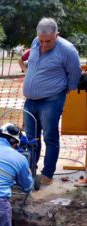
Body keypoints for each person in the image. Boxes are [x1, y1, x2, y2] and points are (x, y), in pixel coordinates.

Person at [23, 18, 81, 185]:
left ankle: (47, 174)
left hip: (51, 100)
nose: (44, 44)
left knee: (50, 137)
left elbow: (74, 76)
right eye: (41, 40)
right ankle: (29, 172)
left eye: (48, 41)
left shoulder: (67, 50)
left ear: (57, 35)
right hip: (30, 100)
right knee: (31, 139)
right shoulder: (36, 42)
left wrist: (62, 91)